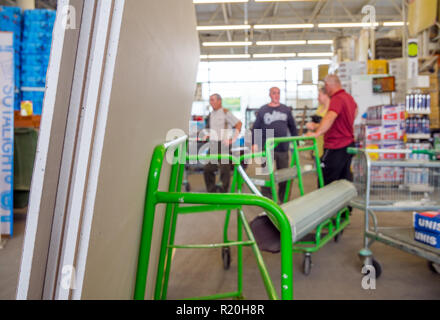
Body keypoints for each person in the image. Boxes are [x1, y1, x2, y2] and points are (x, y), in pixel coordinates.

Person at [306, 75, 358, 186]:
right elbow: (355, 112)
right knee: (344, 180)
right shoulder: (349, 98)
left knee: (325, 180)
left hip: (335, 146)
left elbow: (330, 116)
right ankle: (345, 203)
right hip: (348, 145)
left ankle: (324, 203)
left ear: (328, 85)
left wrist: (317, 133)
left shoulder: (337, 98)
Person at [252, 87, 298, 202]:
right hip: (266, 147)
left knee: (284, 175)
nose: (276, 95)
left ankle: (283, 200)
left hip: (282, 147)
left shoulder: (286, 110)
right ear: (270, 95)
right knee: (266, 174)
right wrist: (254, 143)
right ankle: (267, 201)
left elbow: (292, 126)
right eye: (274, 93)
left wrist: (296, 142)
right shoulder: (263, 110)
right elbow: (256, 128)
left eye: (278, 93)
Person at [203, 94, 242, 193]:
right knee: (208, 168)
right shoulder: (211, 114)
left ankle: (224, 191)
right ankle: (211, 191)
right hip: (213, 144)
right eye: (210, 100)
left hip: (223, 144)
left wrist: (232, 139)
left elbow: (239, 124)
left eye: (212, 100)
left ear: (219, 101)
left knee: (225, 169)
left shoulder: (226, 113)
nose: (211, 102)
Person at [306, 87, 331, 158]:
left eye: (319, 95)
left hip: (326, 144)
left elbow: (330, 125)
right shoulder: (320, 107)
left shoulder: (331, 109)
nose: (318, 98)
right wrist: (310, 125)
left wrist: (315, 126)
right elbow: (315, 123)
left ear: (326, 95)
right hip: (317, 143)